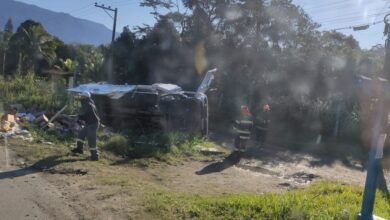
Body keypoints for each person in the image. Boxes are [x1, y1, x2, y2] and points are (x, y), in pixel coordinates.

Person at [71, 91, 101, 161]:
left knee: (91, 139)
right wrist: (80, 116)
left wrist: (80, 117)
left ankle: (95, 156)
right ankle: (79, 149)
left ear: (85, 97)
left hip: (93, 123)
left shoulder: (88, 104)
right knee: (81, 134)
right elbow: (85, 114)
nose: (80, 97)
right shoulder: (87, 102)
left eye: (82, 96)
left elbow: (86, 114)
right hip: (89, 123)